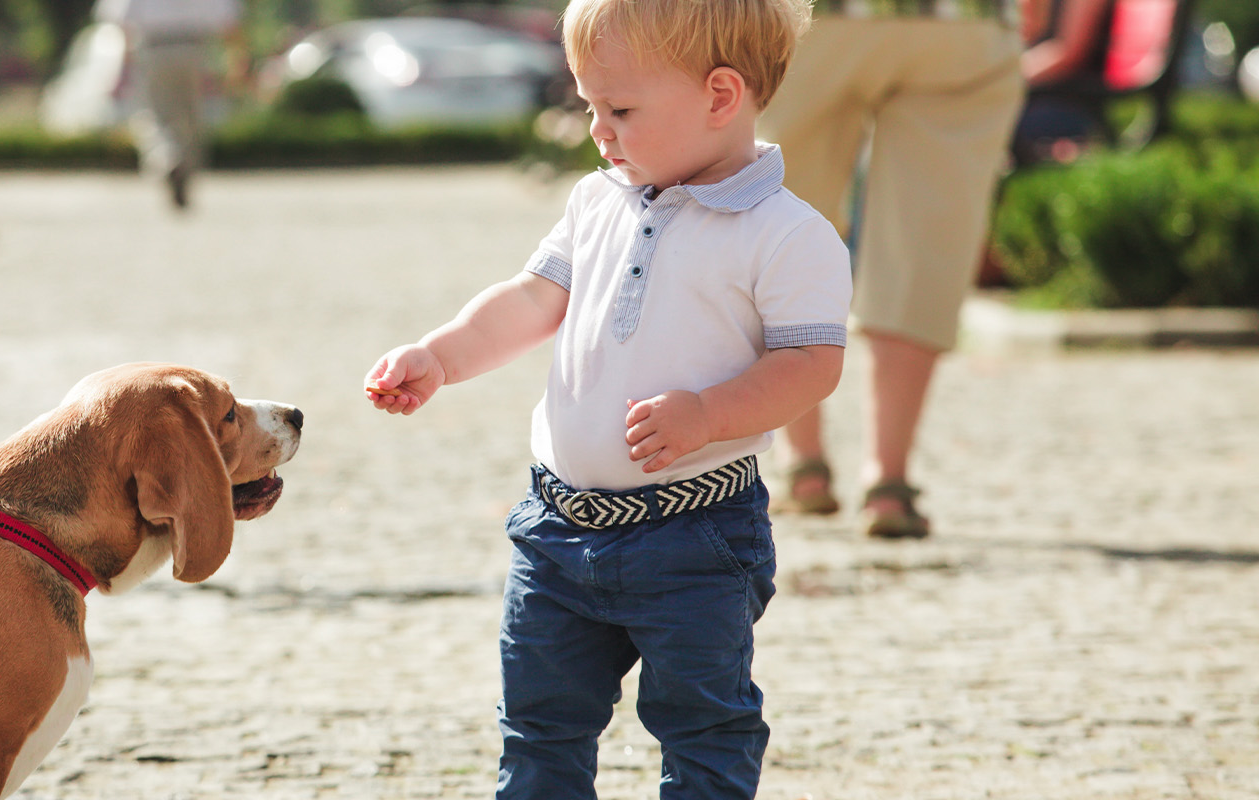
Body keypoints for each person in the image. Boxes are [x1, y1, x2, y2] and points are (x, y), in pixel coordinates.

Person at [363, 0, 848, 795]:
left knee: (704, 726)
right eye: (590, 106)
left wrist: (708, 414)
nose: (598, 131)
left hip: (696, 537)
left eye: (620, 109)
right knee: (539, 725)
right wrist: (440, 356)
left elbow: (809, 365)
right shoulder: (598, 202)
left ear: (721, 97)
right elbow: (529, 300)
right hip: (557, 532)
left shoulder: (787, 234)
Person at [757, 0, 1023, 539]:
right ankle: (889, 482)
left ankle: (803, 466)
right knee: (924, 247)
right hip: (962, 23)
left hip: (808, 19)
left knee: (774, 223)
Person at [92, 0, 242, 210]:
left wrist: (124, 66)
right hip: (195, 48)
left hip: (154, 48)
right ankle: (186, 170)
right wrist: (235, 60)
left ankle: (167, 159)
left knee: (155, 115)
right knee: (192, 118)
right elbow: (228, 20)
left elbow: (122, 20)